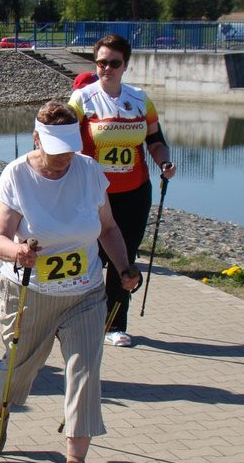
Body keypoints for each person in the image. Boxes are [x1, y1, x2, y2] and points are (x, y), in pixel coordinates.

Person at [0, 100, 141, 463]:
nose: (63, 159)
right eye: (55, 151)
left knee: (85, 372)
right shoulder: (17, 174)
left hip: (85, 293)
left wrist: (124, 267)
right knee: (19, 370)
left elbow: (107, 228)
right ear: (36, 139)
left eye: (69, 149)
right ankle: (0, 407)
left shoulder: (89, 171)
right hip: (30, 292)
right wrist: (18, 252)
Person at [68, 34, 176, 347]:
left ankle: (114, 325)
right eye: (101, 62)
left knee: (123, 257)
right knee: (90, 257)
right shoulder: (82, 99)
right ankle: (78, 317)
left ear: (125, 65)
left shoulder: (140, 99)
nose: (107, 69)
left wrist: (165, 162)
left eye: (114, 63)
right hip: (94, 193)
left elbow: (155, 140)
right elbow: (62, 138)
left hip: (134, 192)